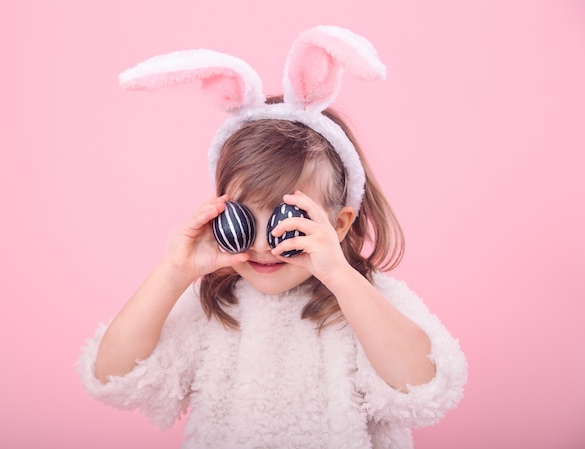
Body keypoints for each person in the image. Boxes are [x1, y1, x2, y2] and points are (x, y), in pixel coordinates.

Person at [77, 26, 467, 449]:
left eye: (286, 218)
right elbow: (114, 377)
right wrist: (173, 273)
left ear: (338, 225)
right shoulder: (214, 304)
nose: (262, 244)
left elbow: (424, 389)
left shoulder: (369, 301)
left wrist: (342, 278)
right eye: (244, 216)